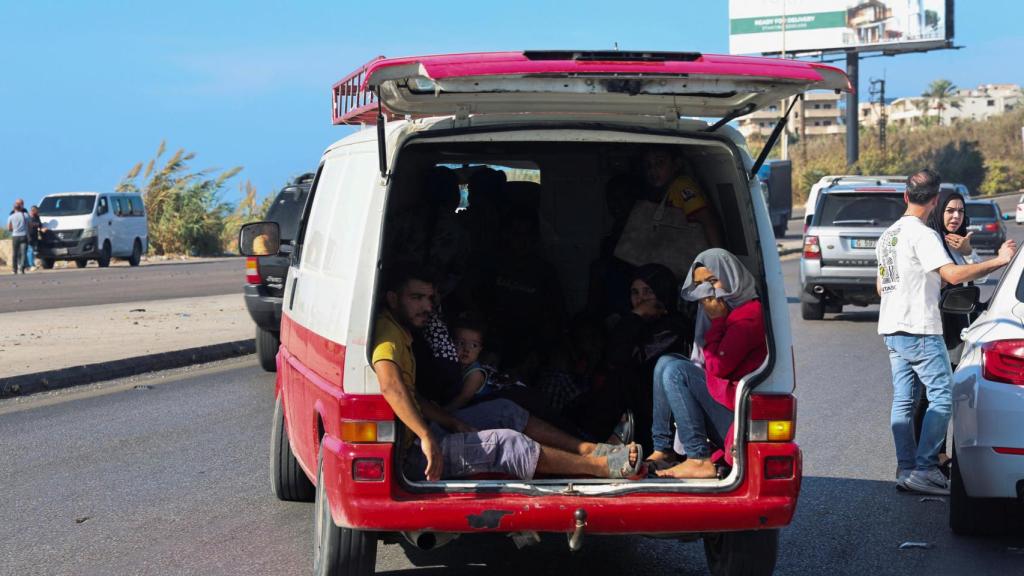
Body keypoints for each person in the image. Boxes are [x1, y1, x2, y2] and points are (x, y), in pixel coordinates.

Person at [371, 263, 644, 482]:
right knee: (506, 443)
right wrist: (426, 436)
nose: (427, 307)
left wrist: (451, 422)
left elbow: (414, 397)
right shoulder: (388, 335)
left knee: (506, 410)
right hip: (414, 456)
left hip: (425, 431)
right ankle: (600, 467)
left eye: (429, 298)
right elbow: (391, 386)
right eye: (416, 298)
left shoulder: (401, 331)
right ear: (393, 299)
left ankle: (589, 448)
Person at [876, 169, 1016, 495]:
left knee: (904, 401)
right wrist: (1000, 260)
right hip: (920, 329)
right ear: (936, 200)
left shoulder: (888, 236)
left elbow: (881, 287)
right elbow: (953, 275)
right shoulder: (923, 235)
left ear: (906, 196)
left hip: (892, 327)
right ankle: (925, 468)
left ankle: (907, 469)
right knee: (942, 396)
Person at [648, 249, 767, 479]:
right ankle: (663, 450)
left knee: (676, 372)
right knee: (665, 362)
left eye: (712, 281)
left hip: (737, 417)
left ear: (731, 277)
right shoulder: (733, 311)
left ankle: (698, 458)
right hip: (724, 400)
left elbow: (718, 366)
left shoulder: (749, 316)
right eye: (700, 284)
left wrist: (718, 321)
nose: (706, 290)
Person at [571, 264, 692, 451]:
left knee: (620, 379)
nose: (640, 299)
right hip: (634, 405)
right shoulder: (637, 322)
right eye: (635, 292)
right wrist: (636, 316)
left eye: (648, 292)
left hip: (660, 412)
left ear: (662, 293)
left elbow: (623, 358)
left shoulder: (673, 327)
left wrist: (636, 316)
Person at [914, 188, 975, 461]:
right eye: (950, 211)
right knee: (929, 394)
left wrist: (967, 252)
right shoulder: (932, 241)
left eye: (960, 211)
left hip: (957, 324)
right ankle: (928, 455)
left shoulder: (959, 243)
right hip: (935, 325)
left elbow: (974, 280)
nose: (955, 216)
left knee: (946, 392)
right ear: (939, 212)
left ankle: (937, 453)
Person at [641, 148, 724, 248]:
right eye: (648, 166)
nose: (652, 170)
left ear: (676, 165)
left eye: (660, 163)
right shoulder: (665, 191)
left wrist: (717, 253)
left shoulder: (682, 185)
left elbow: (707, 221)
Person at [7, 199, 29, 274]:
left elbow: (9, 228)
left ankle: (14, 269)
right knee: (23, 253)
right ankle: (22, 269)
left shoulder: (11, 216)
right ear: (21, 207)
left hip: (15, 236)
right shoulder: (25, 215)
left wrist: (15, 229)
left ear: (14, 208)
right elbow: (30, 225)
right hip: (24, 235)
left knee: (15, 253)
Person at [27, 205, 46, 271]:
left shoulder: (37, 217)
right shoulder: (28, 217)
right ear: (33, 211)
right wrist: (38, 227)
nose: (37, 212)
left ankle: (33, 265)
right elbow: (31, 225)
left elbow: (39, 225)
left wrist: (41, 228)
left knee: (35, 251)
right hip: (29, 236)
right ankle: (31, 265)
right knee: (30, 250)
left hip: (35, 236)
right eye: (36, 211)